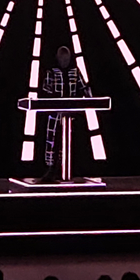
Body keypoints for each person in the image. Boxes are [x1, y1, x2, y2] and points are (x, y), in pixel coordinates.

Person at [39, 45, 90, 181]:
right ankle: (51, 169)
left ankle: (67, 169)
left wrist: (89, 97)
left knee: (69, 141)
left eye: (66, 59)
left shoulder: (75, 72)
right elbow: (45, 89)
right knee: (53, 141)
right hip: (55, 114)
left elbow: (84, 87)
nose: (64, 61)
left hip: (70, 113)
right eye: (62, 59)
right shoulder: (52, 72)